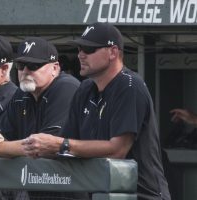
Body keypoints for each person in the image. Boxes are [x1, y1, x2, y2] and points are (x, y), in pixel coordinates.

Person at [12, 23, 170, 200]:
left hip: (139, 194)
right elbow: (67, 148)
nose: (80, 54)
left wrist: (60, 144)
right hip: (98, 192)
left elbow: (117, 150)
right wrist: (0, 146)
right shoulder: (85, 89)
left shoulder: (130, 85)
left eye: (89, 49)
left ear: (113, 52)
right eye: (79, 48)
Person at [0, 37, 86, 199]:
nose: (25, 71)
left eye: (34, 66)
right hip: (39, 189)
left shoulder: (66, 86)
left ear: (55, 68)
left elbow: (44, 147)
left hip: (70, 188)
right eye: (21, 66)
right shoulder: (22, 93)